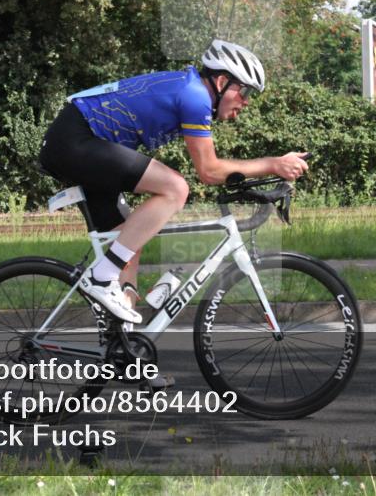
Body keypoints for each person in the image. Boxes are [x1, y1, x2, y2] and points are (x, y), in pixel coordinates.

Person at [38, 40, 308, 325]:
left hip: (78, 142)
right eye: (244, 90)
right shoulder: (194, 96)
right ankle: (101, 278)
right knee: (176, 188)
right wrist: (273, 164)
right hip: (75, 140)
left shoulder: (190, 89)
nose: (246, 101)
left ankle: (126, 350)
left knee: (129, 238)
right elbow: (209, 171)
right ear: (221, 81)